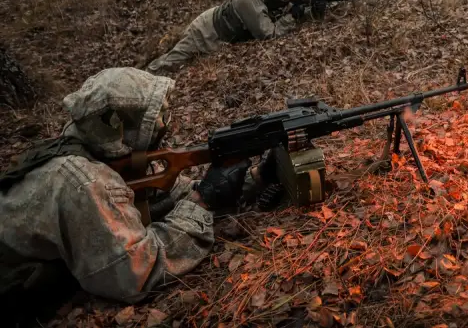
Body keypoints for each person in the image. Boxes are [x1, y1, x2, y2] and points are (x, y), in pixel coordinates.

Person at [0, 68, 277, 325]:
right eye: (153, 118)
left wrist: (256, 177)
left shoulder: (102, 149)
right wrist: (203, 202)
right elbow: (135, 273)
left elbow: (172, 194)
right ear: (118, 126)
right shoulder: (84, 183)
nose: (164, 123)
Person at [146, 0, 302, 73]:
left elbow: (274, 12)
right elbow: (269, 33)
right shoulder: (248, 1)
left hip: (214, 29)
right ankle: (145, 75)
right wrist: (292, 17)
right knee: (172, 61)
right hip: (203, 31)